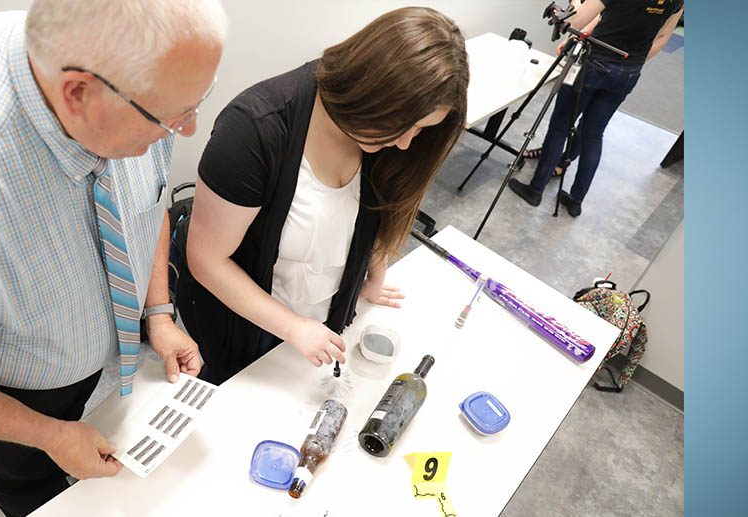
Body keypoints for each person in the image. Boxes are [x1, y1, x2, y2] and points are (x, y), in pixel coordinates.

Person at [0, 1, 225, 515]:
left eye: (196, 103)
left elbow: (148, 203)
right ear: (78, 93)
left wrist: (157, 313)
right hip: (6, 392)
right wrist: (47, 435)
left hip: (87, 347)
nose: (184, 129)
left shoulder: (134, 85)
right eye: (172, 116)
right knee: (36, 494)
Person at [173, 7, 469, 385]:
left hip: (318, 327)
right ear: (372, 93)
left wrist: (374, 273)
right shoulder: (254, 130)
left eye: (420, 129)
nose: (407, 142)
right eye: (405, 126)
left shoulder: (386, 141)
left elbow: (380, 210)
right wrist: (293, 327)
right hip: (246, 324)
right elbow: (207, 259)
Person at [509, 0, 684, 216]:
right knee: (593, 134)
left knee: (560, 127)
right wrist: (626, 64)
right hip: (629, 71)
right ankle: (575, 201)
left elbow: (573, 18)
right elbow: (662, 37)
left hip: (594, 64)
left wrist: (574, 6)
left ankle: (535, 190)